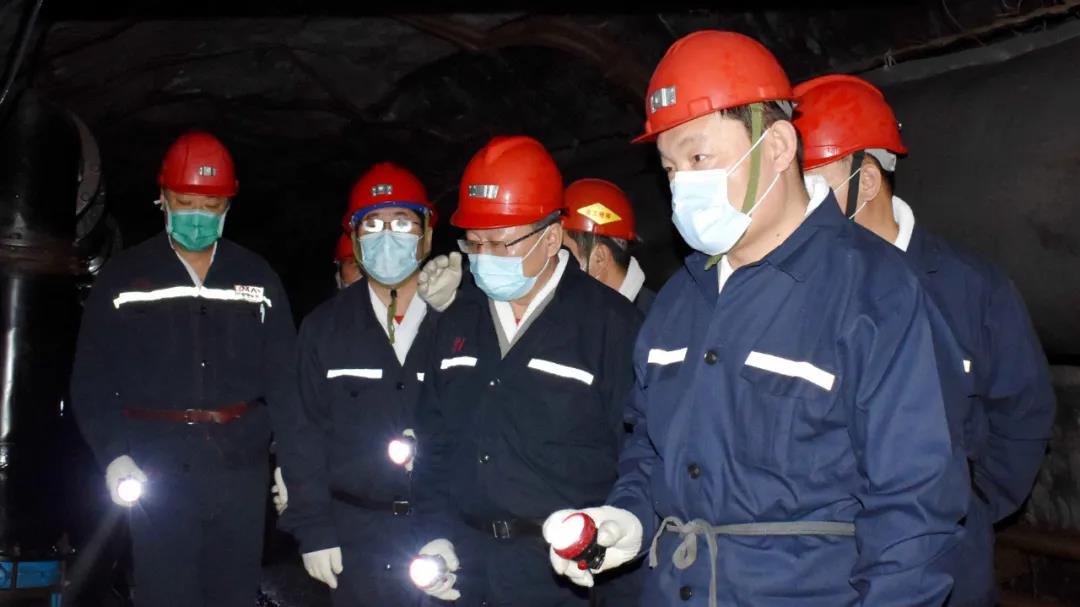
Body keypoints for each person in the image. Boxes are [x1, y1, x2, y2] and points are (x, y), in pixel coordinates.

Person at [544, 31, 968, 606]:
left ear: (777, 147)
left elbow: (914, 508)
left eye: (699, 158)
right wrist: (629, 518)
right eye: (669, 168)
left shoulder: (876, 293)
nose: (682, 184)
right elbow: (650, 445)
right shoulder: (680, 300)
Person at [792, 73, 1056, 606]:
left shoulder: (970, 288)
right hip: (820, 568)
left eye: (810, 185)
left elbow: (1023, 412)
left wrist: (970, 503)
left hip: (948, 568)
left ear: (867, 181)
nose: (792, 206)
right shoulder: (792, 292)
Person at [410, 136, 641, 606]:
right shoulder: (457, 320)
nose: (483, 257)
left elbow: (638, 453)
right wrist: (433, 531)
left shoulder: (610, 325)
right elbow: (433, 440)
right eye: (474, 243)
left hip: (565, 575)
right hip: (467, 567)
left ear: (551, 237)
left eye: (499, 243)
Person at [71, 131, 296, 607]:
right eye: (185, 202)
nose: (198, 214)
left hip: (241, 468)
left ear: (228, 205)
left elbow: (286, 380)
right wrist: (113, 455)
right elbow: (91, 379)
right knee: (164, 592)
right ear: (163, 198)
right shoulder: (122, 277)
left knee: (234, 593)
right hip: (155, 469)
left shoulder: (257, 277)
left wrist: (291, 464)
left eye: (210, 205)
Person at [275, 162, 441, 606]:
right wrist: (313, 529)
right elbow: (301, 433)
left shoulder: (457, 323)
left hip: (440, 530)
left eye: (402, 222)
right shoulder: (323, 328)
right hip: (354, 536)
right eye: (372, 224)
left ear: (426, 234)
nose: (387, 236)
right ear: (354, 237)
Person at [561, 178, 656, 314]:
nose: (556, 263)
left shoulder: (653, 321)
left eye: (564, 253)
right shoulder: (589, 311)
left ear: (599, 258)